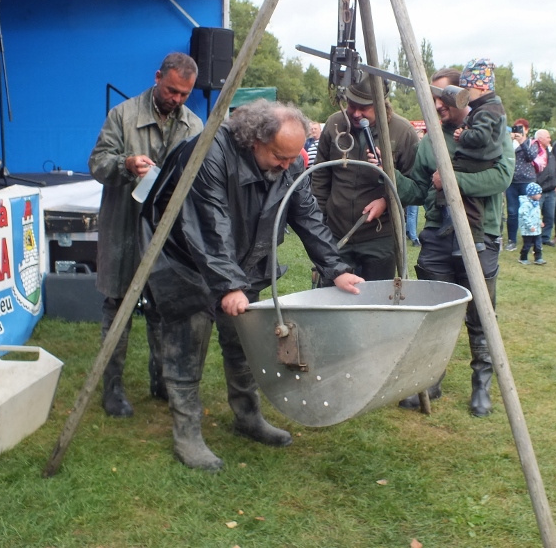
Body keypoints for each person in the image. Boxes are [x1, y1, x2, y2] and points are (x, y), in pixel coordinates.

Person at [139, 100, 363, 471]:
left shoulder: (287, 161)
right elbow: (209, 224)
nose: (287, 164)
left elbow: (306, 213)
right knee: (186, 350)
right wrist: (228, 285)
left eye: (292, 157)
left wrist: (335, 267)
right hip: (186, 262)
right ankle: (187, 433)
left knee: (243, 346)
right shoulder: (209, 153)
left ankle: (247, 417)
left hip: (243, 263)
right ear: (253, 140)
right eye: (279, 156)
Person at [88, 52, 203, 418]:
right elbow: (97, 163)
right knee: (117, 307)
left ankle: (162, 380)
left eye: (184, 94)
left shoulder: (194, 125)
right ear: (157, 78)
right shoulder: (122, 115)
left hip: (166, 233)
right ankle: (112, 389)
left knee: (163, 307)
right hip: (123, 227)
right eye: (171, 90)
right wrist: (126, 164)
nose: (177, 99)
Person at [394, 67, 514, 417]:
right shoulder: (430, 141)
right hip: (437, 236)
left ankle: (482, 384)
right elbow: (418, 189)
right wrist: (390, 174)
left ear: (462, 95)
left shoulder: (492, 129)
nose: (436, 105)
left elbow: (501, 177)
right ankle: (431, 380)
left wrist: (450, 180)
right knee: (436, 312)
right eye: (432, 98)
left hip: (478, 235)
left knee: (481, 314)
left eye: (442, 97)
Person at [312, 72, 418, 282]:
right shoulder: (334, 124)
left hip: (380, 237)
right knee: (332, 297)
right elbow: (320, 178)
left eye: (364, 107)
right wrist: (319, 225)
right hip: (335, 233)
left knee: (377, 298)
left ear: (381, 103)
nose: (356, 113)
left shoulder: (403, 132)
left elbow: (415, 187)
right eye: (351, 105)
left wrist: (386, 202)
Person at [437, 57, 506, 254]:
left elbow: (481, 136)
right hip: (482, 159)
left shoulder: (486, 111)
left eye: (468, 89)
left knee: (445, 176)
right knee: (472, 203)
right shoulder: (491, 108)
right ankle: (474, 241)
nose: (466, 94)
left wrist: (463, 135)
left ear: (482, 89)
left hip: (476, 158)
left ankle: (448, 215)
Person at [505, 118, 537, 252]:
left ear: (527, 130)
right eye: (516, 128)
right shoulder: (510, 142)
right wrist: (509, 139)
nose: (518, 131)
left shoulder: (532, 143)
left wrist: (522, 142)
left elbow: (531, 157)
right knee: (512, 212)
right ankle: (512, 240)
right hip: (512, 182)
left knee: (527, 212)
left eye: (521, 129)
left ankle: (529, 241)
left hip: (526, 181)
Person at [535, 129, 556, 247]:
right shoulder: (534, 153)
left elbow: (554, 169)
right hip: (538, 190)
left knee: (549, 215)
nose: (550, 139)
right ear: (540, 139)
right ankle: (535, 237)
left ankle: (545, 237)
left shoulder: (550, 152)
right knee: (535, 216)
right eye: (548, 137)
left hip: (551, 190)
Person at [517, 182, 545, 265]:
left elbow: (537, 215)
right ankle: (523, 258)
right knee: (527, 245)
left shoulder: (536, 203)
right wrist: (530, 226)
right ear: (532, 194)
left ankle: (538, 258)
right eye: (538, 193)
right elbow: (524, 216)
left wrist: (540, 222)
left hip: (537, 229)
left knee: (538, 244)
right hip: (528, 230)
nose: (540, 195)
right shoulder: (526, 204)